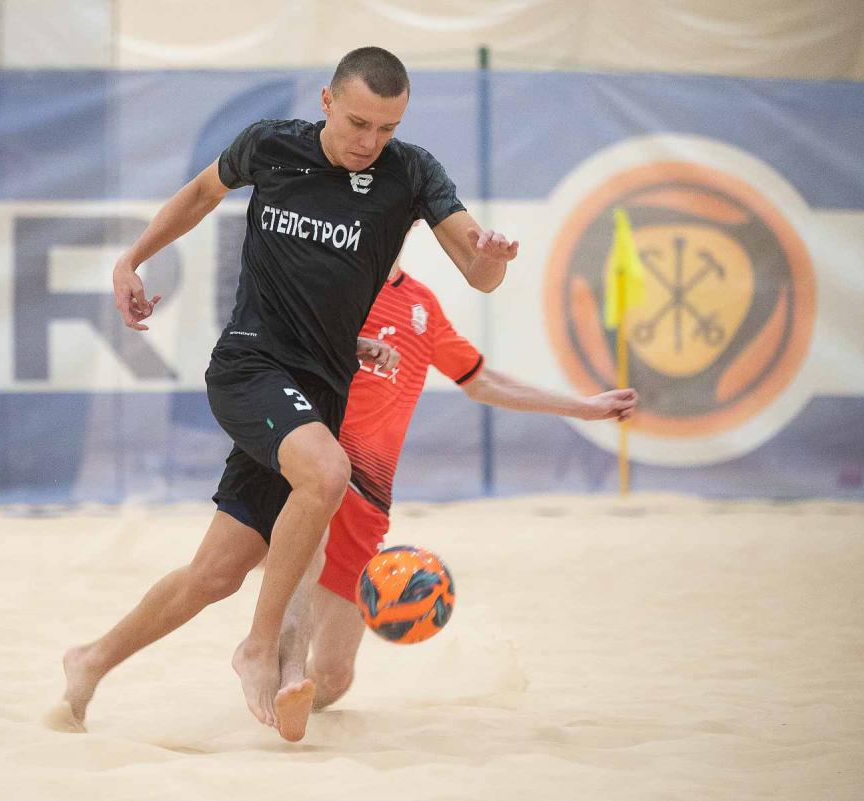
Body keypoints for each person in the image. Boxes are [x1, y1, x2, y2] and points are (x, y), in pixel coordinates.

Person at [54, 46, 519, 739]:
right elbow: (201, 194)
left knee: (215, 573)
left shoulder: (413, 172)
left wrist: (492, 260)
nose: (370, 142)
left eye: (387, 128)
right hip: (249, 366)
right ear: (327, 102)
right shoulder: (271, 146)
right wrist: (132, 259)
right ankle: (262, 646)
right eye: (358, 123)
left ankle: (90, 660)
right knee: (328, 472)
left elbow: (478, 273)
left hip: (316, 393)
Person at [274, 236, 638, 726]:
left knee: (335, 677)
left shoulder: (420, 304)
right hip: (314, 471)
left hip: (369, 502)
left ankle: (287, 701)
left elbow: (482, 381)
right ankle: (280, 673)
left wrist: (583, 407)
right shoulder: (327, 287)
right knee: (295, 568)